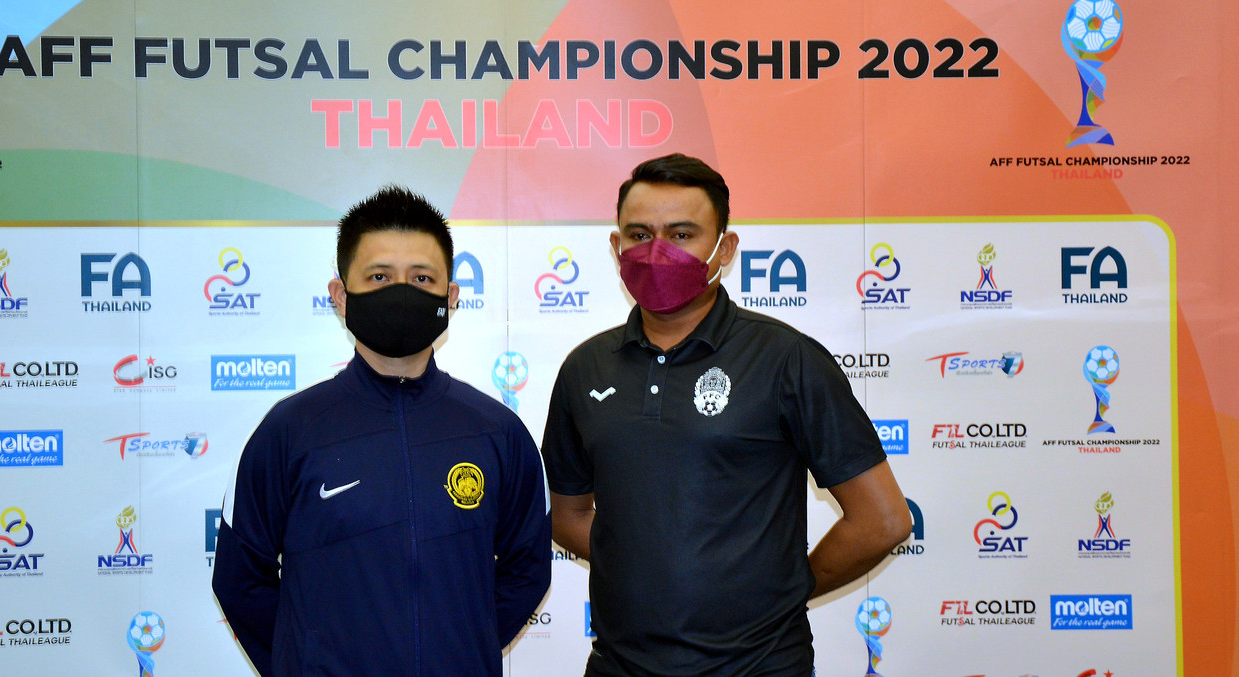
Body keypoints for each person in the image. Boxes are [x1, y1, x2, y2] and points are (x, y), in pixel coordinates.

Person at [542, 154, 912, 676]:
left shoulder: (787, 359)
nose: (657, 252)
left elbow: (883, 520)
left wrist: (781, 591)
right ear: (616, 246)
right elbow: (569, 517)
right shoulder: (585, 367)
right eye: (639, 235)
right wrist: (646, 567)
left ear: (725, 248)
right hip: (618, 667)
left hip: (759, 666)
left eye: (681, 234)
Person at [212, 186, 552, 677]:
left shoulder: (497, 431)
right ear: (340, 296)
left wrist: (461, 650)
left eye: (422, 278)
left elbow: (527, 569)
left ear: (451, 297)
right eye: (379, 276)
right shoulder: (289, 430)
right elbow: (240, 580)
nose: (401, 291)